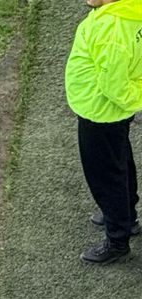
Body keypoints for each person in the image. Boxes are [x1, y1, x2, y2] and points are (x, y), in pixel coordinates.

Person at [65, 0, 142, 264]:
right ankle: (127, 217)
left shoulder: (111, 30)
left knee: (105, 177)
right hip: (112, 114)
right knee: (120, 162)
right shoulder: (130, 13)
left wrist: (136, 97)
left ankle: (117, 240)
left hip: (100, 112)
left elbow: (115, 88)